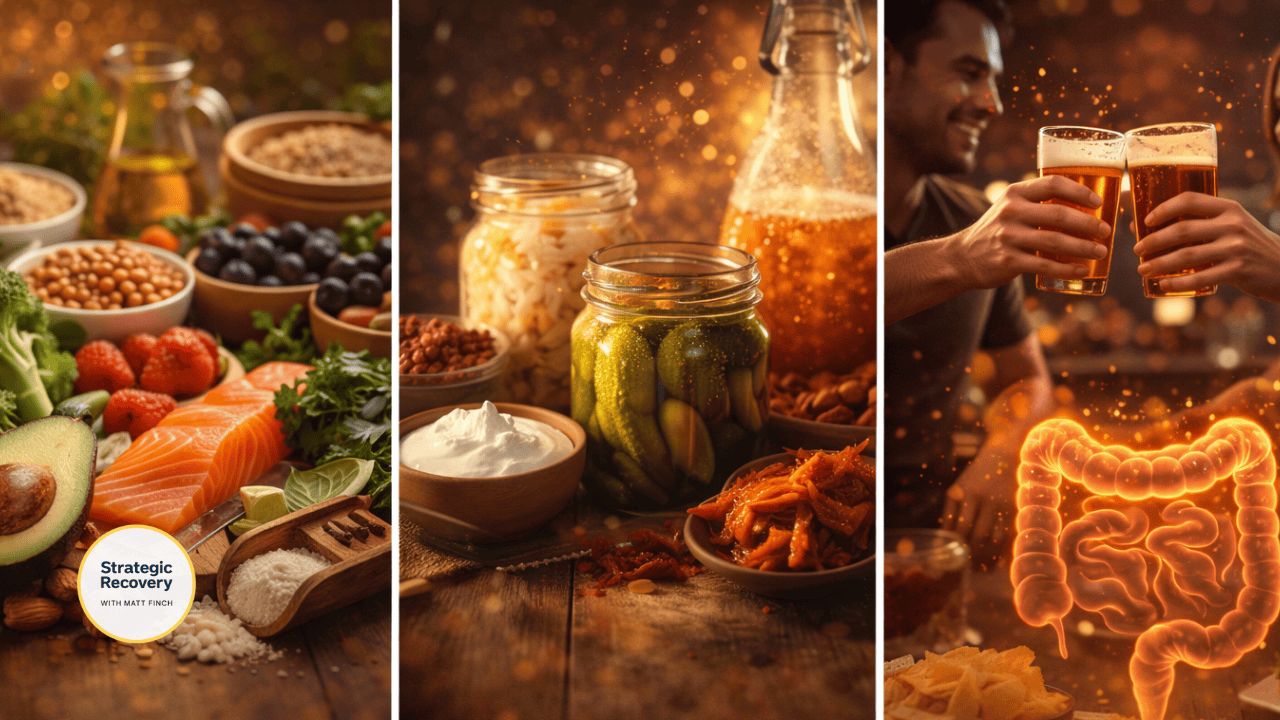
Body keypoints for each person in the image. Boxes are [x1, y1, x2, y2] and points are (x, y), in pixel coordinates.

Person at [883, 0, 1113, 558]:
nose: (992, 104)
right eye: (969, 74)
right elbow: (803, 309)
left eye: (994, 80)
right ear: (884, 69)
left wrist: (1005, 449)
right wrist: (960, 259)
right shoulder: (812, 213)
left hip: (931, 550)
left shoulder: (973, 222)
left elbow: (1027, 382)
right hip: (803, 539)